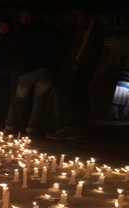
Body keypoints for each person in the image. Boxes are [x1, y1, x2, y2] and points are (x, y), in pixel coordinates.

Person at [47, 4, 105, 139]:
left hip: (79, 67)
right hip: (77, 66)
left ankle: (71, 127)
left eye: (65, 17)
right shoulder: (77, 26)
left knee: (72, 96)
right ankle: (75, 127)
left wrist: (76, 61)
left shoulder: (90, 23)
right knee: (76, 96)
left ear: (74, 12)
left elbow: (85, 43)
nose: (65, 20)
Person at [4, 10, 62, 135]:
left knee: (20, 99)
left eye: (26, 16)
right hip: (44, 69)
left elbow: (17, 46)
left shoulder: (26, 30)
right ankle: (31, 127)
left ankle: (11, 126)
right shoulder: (52, 30)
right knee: (38, 101)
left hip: (29, 70)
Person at [110, 55, 129, 120]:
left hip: (127, 88)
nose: (125, 61)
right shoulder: (117, 68)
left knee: (126, 103)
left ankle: (123, 116)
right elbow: (113, 78)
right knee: (115, 102)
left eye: (127, 60)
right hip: (117, 87)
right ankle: (115, 116)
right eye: (124, 60)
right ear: (121, 61)